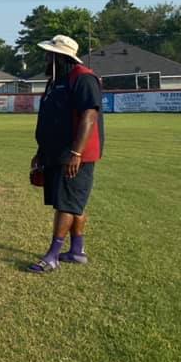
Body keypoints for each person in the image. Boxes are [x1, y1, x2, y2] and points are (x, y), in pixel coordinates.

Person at [28, 34, 105, 273]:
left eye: (49, 54)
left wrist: (76, 152)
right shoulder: (55, 81)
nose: (45, 58)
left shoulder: (83, 79)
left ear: (60, 57)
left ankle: (52, 256)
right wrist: (41, 150)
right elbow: (50, 119)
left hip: (74, 155)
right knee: (73, 203)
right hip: (54, 151)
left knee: (67, 205)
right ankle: (77, 251)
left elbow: (89, 115)